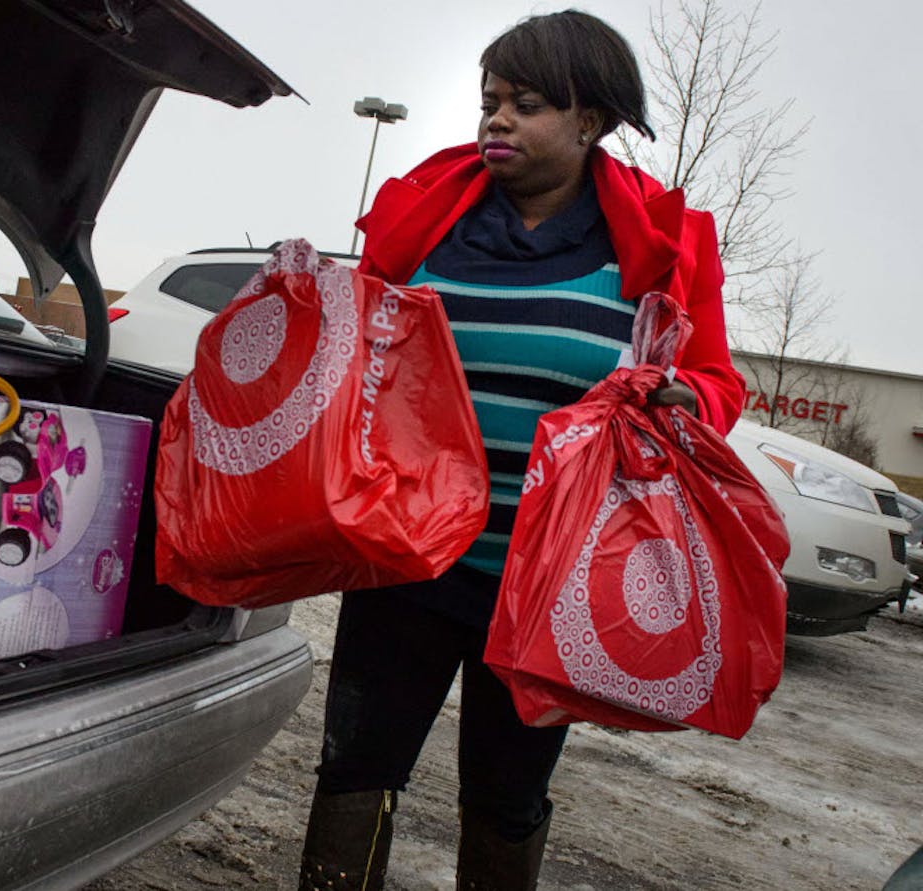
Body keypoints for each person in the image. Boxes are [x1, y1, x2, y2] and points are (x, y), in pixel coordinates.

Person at [297, 10, 745, 891]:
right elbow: (357, 354)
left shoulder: (659, 246)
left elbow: (718, 384)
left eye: (526, 103)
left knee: (506, 796)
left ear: (592, 121)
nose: (496, 120)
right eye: (489, 101)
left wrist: (686, 398)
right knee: (357, 770)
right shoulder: (430, 223)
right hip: (406, 564)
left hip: (545, 584)